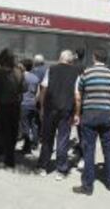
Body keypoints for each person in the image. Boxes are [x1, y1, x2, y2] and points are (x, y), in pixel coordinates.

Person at [72, 49, 110, 195]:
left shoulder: (87, 73)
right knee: (109, 150)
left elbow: (79, 95)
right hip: (106, 115)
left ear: (94, 57)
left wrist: (77, 114)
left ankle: (88, 186)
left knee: (89, 150)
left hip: (90, 115)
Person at [37, 50, 78, 179]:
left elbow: (43, 88)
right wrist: (76, 113)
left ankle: (43, 166)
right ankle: (61, 170)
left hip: (50, 108)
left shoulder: (51, 69)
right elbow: (77, 96)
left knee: (47, 138)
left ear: (60, 58)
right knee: (63, 139)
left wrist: (42, 107)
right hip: (66, 109)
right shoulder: (76, 72)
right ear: (70, 60)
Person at [0, 49, 25, 168]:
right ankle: (9, 155)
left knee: (3, 131)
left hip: (2, 106)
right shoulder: (19, 72)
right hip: (15, 106)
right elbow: (23, 89)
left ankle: (8, 157)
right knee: (13, 131)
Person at [20, 59, 40, 154]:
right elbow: (38, 92)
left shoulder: (22, 77)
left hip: (24, 103)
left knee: (25, 125)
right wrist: (35, 101)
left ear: (23, 66)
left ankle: (26, 146)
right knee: (33, 124)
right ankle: (35, 143)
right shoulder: (35, 78)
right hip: (33, 103)